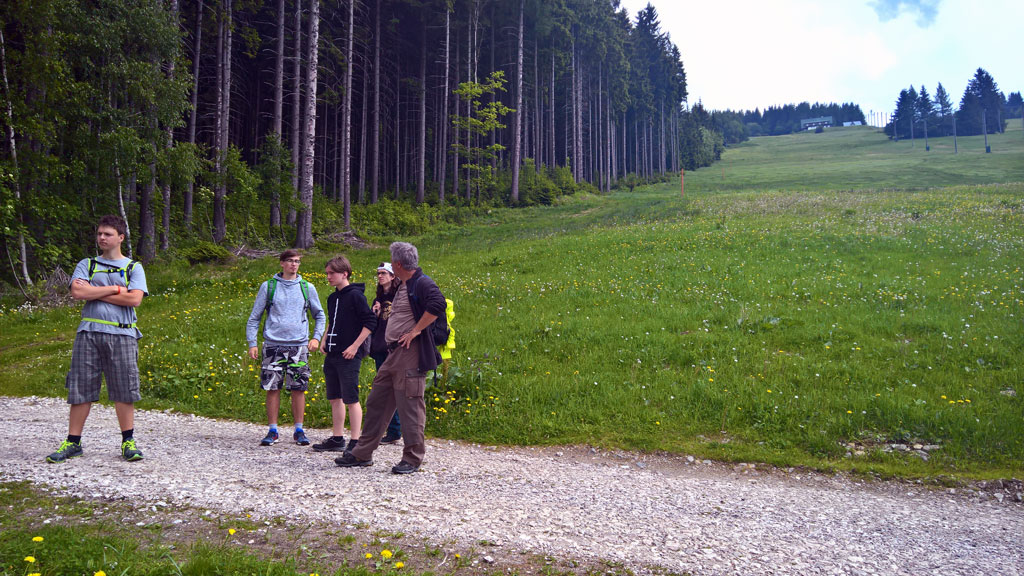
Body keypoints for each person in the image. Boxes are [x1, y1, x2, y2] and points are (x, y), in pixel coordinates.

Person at [46, 215, 149, 463]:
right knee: (80, 388)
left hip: (123, 334)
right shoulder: (87, 264)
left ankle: (128, 442)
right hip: (88, 334)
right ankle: (73, 443)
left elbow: (134, 299)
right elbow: (77, 291)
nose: (102, 238)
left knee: (124, 389)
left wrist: (93, 291)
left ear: (120, 237)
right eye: (100, 234)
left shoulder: (133, 267)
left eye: (108, 234)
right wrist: (114, 289)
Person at [335, 242, 445, 474]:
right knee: (377, 401)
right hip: (393, 353)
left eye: (391, 261)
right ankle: (362, 453)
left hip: (411, 354)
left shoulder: (422, 283)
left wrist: (415, 331)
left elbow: (438, 304)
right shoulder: (403, 285)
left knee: (410, 406)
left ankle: (412, 458)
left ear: (398, 264)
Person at [246, 250, 325, 446]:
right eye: (290, 261)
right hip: (273, 345)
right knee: (272, 387)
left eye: (297, 261)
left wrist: (316, 338)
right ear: (281, 263)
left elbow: (320, 315)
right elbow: (255, 317)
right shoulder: (269, 286)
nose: (294, 264)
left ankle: (299, 430)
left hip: (299, 346)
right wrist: (252, 343)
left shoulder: (307, 287)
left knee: (299, 388)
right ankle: (273, 430)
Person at [312, 256, 376, 452]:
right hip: (332, 353)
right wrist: (324, 339)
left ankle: (356, 441)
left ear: (344, 273)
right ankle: (337, 437)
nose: (328, 277)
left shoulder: (356, 296)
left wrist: (355, 346)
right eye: (327, 273)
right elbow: (333, 320)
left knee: (351, 398)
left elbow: (370, 322)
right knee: (335, 397)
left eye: (332, 273)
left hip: (349, 355)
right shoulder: (333, 298)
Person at [369, 262, 403, 444]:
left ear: (392, 276)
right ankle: (391, 430)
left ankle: (395, 430)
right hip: (380, 346)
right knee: (383, 389)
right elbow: (372, 324)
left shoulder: (399, 296)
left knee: (395, 388)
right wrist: (374, 313)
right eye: (379, 273)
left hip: (394, 347)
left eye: (384, 273)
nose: (380, 276)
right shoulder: (378, 298)